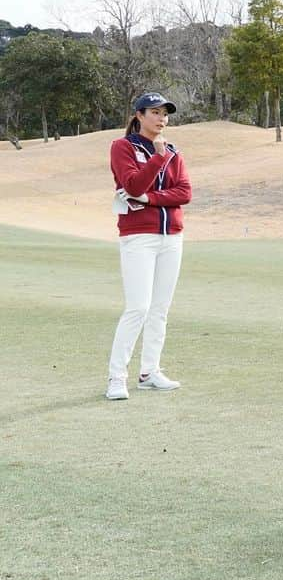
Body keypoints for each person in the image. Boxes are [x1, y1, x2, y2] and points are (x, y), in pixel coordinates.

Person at [104, 93, 192, 400]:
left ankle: (149, 372)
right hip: (138, 236)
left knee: (160, 309)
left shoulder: (174, 152)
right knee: (138, 307)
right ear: (139, 115)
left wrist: (151, 199)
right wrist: (156, 157)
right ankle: (117, 377)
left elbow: (184, 192)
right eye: (155, 112)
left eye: (165, 113)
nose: (161, 118)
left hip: (172, 237)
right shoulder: (122, 147)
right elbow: (133, 186)